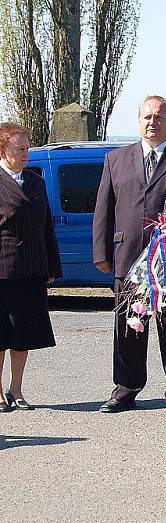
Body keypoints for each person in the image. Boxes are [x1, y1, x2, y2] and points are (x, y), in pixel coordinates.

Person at [93, 96, 166, 415]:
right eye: (146, 116)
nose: (152, 122)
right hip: (128, 257)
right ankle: (125, 388)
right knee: (128, 325)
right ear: (138, 120)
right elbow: (103, 210)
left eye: (159, 117)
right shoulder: (115, 159)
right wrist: (102, 253)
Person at [0, 122, 62, 412]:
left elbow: (46, 225)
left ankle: (17, 389)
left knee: (23, 333)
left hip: (32, 268)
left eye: (28, 148)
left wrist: (51, 264)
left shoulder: (35, 180)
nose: (26, 154)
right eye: (19, 149)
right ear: (3, 150)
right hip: (3, 269)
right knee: (1, 334)